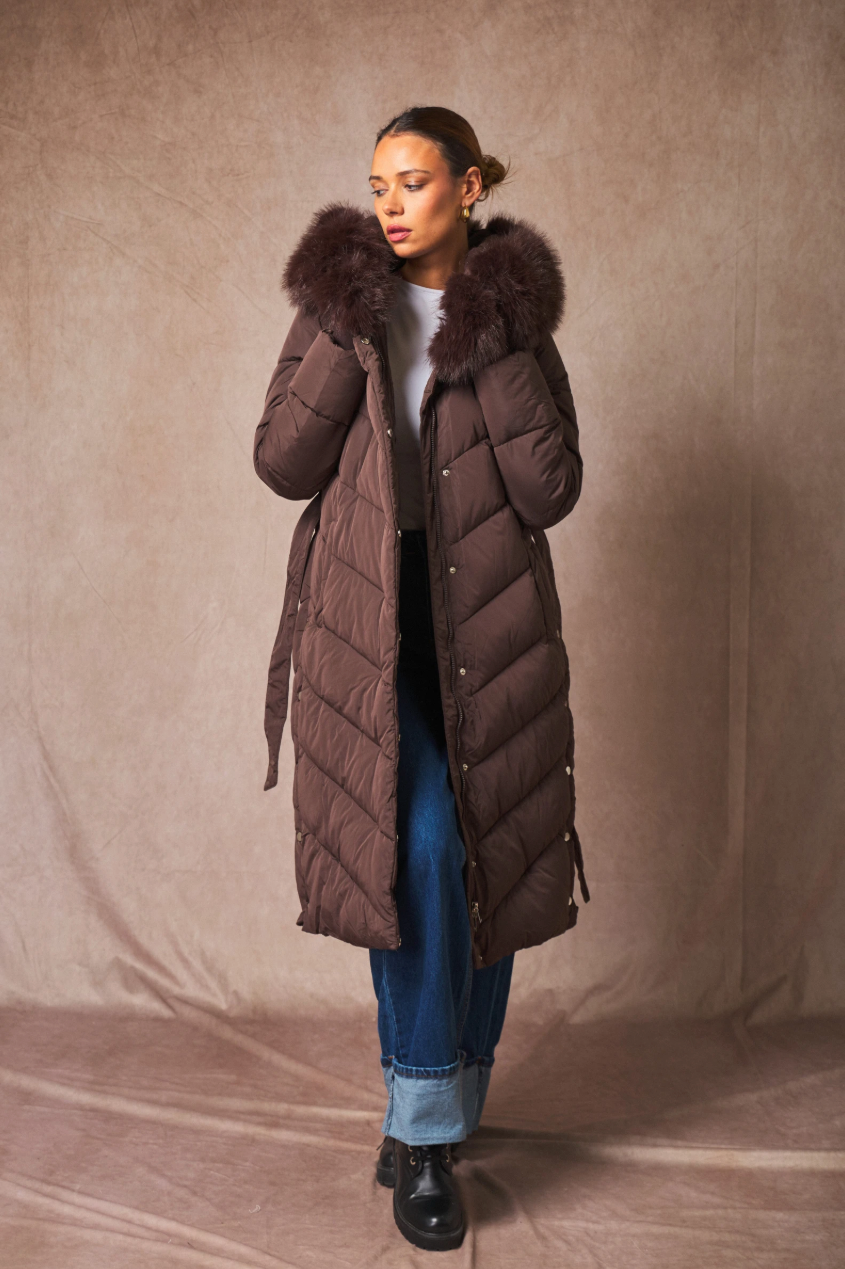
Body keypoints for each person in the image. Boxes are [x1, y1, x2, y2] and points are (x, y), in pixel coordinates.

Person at [253, 105, 590, 1252]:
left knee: (483, 844)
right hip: (369, 619)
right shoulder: (338, 307)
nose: (390, 205)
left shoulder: (514, 321)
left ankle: (441, 1096)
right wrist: (343, 333)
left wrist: (488, 338)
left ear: (470, 185)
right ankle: (425, 1130)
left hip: (485, 622)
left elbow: (549, 491)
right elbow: (280, 462)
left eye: (413, 182)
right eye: (377, 185)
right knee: (421, 849)